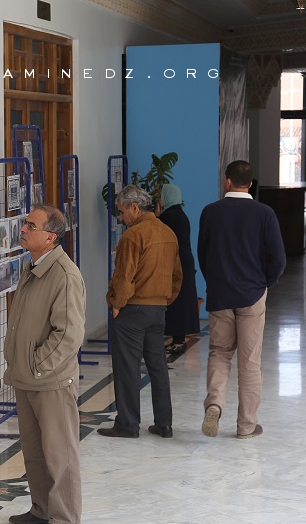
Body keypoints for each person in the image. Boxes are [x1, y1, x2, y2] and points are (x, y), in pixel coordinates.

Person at [3, 204, 85, 524]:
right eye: (25, 223)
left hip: (49, 380)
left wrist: (37, 365)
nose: (23, 229)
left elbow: (69, 334)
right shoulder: (33, 267)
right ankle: (41, 507)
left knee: (59, 451)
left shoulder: (64, 275)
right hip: (26, 377)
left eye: (31, 225)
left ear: (49, 237)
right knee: (34, 450)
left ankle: (66, 518)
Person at [198, 160, 286, 439]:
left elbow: (204, 253)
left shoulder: (211, 212)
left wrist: (214, 281)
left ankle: (214, 404)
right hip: (252, 295)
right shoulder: (265, 213)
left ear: (227, 181)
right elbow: (279, 259)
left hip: (220, 295)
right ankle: (246, 426)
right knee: (250, 363)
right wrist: (264, 283)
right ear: (251, 183)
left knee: (220, 353)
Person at [100, 185, 182, 439]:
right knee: (157, 366)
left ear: (135, 208)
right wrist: (163, 300)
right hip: (158, 309)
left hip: (133, 311)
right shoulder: (168, 233)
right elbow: (177, 276)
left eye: (122, 212)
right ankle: (164, 423)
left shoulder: (133, 236)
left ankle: (127, 423)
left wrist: (116, 304)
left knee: (127, 367)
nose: (121, 218)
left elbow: (124, 277)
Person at [156, 184, 200, 356]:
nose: (159, 200)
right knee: (182, 301)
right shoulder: (179, 214)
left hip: (176, 264)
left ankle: (178, 342)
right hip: (184, 262)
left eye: (161, 196)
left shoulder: (169, 216)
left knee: (177, 301)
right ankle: (178, 340)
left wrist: (158, 216)